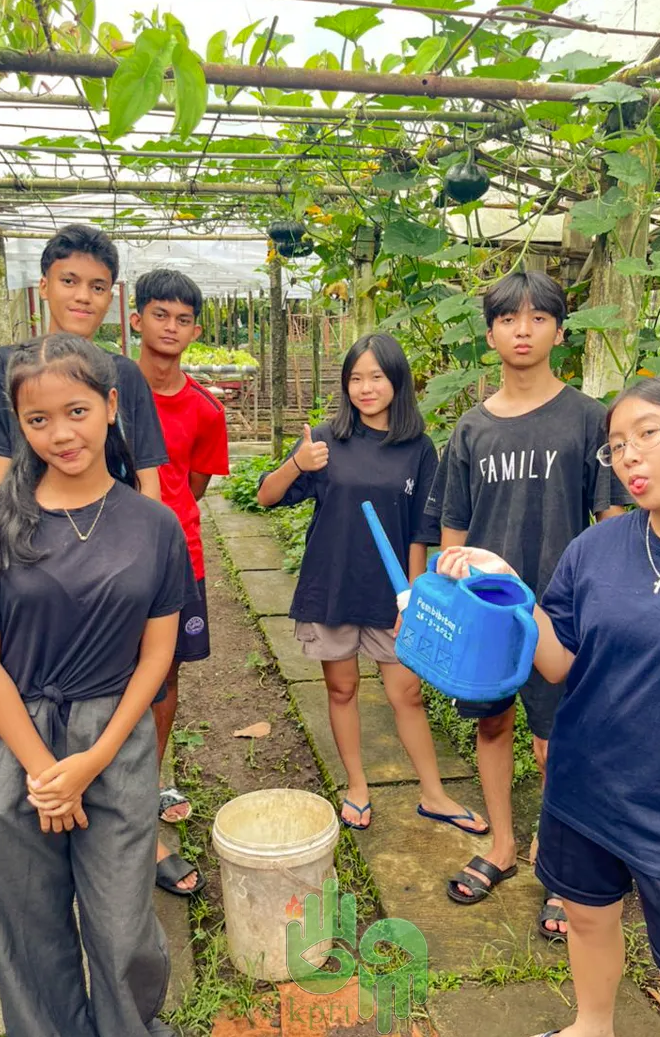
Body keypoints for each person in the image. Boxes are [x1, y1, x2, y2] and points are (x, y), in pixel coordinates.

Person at [437, 375, 660, 1037]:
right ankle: (592, 1034)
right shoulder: (596, 548)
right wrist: (508, 588)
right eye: (616, 445)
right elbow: (559, 662)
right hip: (581, 794)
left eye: (647, 434)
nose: (628, 457)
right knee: (587, 920)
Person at [0, 334, 195, 1037]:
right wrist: (44, 772)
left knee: (121, 925)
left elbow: (157, 655)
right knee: (25, 929)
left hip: (112, 738)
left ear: (111, 406)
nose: (61, 433)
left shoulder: (152, 525)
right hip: (10, 743)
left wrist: (90, 761)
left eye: (76, 411)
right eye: (38, 419)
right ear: (19, 426)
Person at [426, 270, 627, 937]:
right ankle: (503, 844)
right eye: (508, 319)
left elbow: (610, 523)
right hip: (487, 614)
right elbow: (454, 529)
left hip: (559, 615)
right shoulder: (471, 428)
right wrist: (450, 603)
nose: (522, 331)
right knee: (491, 726)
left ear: (559, 332)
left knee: (553, 746)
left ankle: (558, 861)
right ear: (489, 334)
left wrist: (604, 610)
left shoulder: (588, 419)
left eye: (538, 318)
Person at [257, 332, 487, 835]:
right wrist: (297, 462)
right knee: (342, 690)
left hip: (392, 594)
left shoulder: (418, 449)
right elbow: (267, 497)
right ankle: (357, 786)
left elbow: (422, 533)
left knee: (407, 693)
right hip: (333, 586)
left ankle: (434, 794)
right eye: (356, 378)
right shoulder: (324, 439)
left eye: (376, 377)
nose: (365, 388)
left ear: (397, 381)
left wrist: (413, 599)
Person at [134, 269, 229, 898]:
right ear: (136, 319)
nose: (171, 327)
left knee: (165, 675)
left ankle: (149, 782)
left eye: (183, 318)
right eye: (159, 314)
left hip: (178, 557)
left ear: (195, 330)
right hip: (109, 559)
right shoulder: (107, 392)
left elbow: (193, 487)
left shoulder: (205, 409)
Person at [0, 224, 167, 499]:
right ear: (44, 287)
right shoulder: (3, 367)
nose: (83, 297)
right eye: (69, 281)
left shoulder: (125, 374)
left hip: (117, 521)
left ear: (109, 298)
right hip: (28, 520)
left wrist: (145, 525)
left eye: (97, 287)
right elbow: (1, 480)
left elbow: (146, 478)